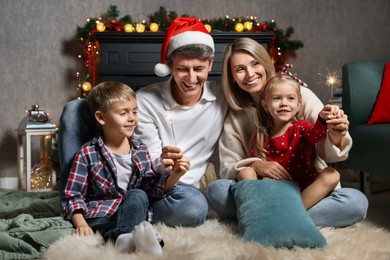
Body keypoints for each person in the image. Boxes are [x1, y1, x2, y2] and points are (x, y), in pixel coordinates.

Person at [58, 17, 228, 229]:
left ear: (211, 63)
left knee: (194, 207)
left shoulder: (222, 97)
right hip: (146, 181)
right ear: (169, 65)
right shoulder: (146, 100)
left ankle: (120, 216)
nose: (191, 78)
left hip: (175, 192)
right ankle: (74, 205)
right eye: (183, 69)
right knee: (76, 109)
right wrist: (162, 163)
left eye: (199, 68)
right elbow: (145, 165)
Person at [207, 37, 368, 227]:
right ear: (232, 77)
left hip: (306, 187)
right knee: (217, 190)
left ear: (265, 63)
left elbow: (324, 145)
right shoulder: (236, 116)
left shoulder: (299, 95)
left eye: (255, 64)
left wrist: (334, 131)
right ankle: (289, 217)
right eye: (240, 69)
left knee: (356, 203)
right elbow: (228, 169)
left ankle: (265, 217)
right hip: (266, 190)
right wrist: (257, 165)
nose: (250, 74)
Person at [61, 81, 190, 254]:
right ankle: (130, 237)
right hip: (102, 214)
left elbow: (151, 187)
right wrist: (81, 224)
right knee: (111, 225)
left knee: (138, 194)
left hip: (132, 212)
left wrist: (176, 175)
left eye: (135, 112)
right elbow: (73, 195)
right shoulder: (87, 153)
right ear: (101, 118)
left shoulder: (140, 150)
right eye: (123, 113)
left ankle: (124, 238)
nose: (132, 118)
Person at [240, 74, 341, 209]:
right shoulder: (260, 137)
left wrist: (322, 118)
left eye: (290, 98)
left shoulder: (301, 127)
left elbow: (316, 135)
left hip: (303, 190)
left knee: (332, 174)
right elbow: (259, 172)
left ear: (299, 105)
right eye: (277, 98)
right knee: (245, 172)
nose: (284, 103)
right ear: (265, 105)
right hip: (274, 191)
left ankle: (294, 211)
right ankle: (261, 210)